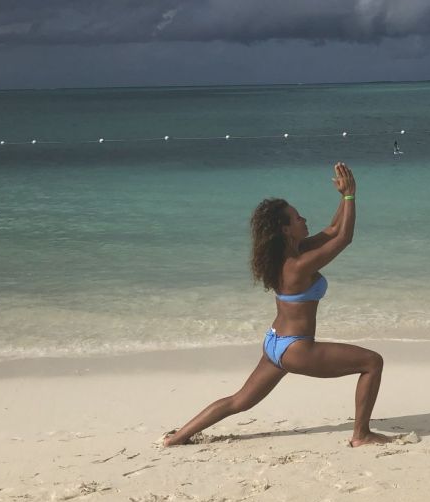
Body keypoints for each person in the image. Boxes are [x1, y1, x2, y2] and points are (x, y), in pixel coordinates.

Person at [164, 162, 392, 447]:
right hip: (296, 349)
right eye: (297, 218)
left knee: (239, 400)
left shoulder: (292, 254)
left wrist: (342, 197)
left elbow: (335, 228)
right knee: (372, 362)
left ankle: (177, 438)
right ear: (286, 229)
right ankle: (361, 435)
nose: (303, 219)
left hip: (275, 342)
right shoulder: (298, 265)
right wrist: (350, 195)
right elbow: (345, 237)